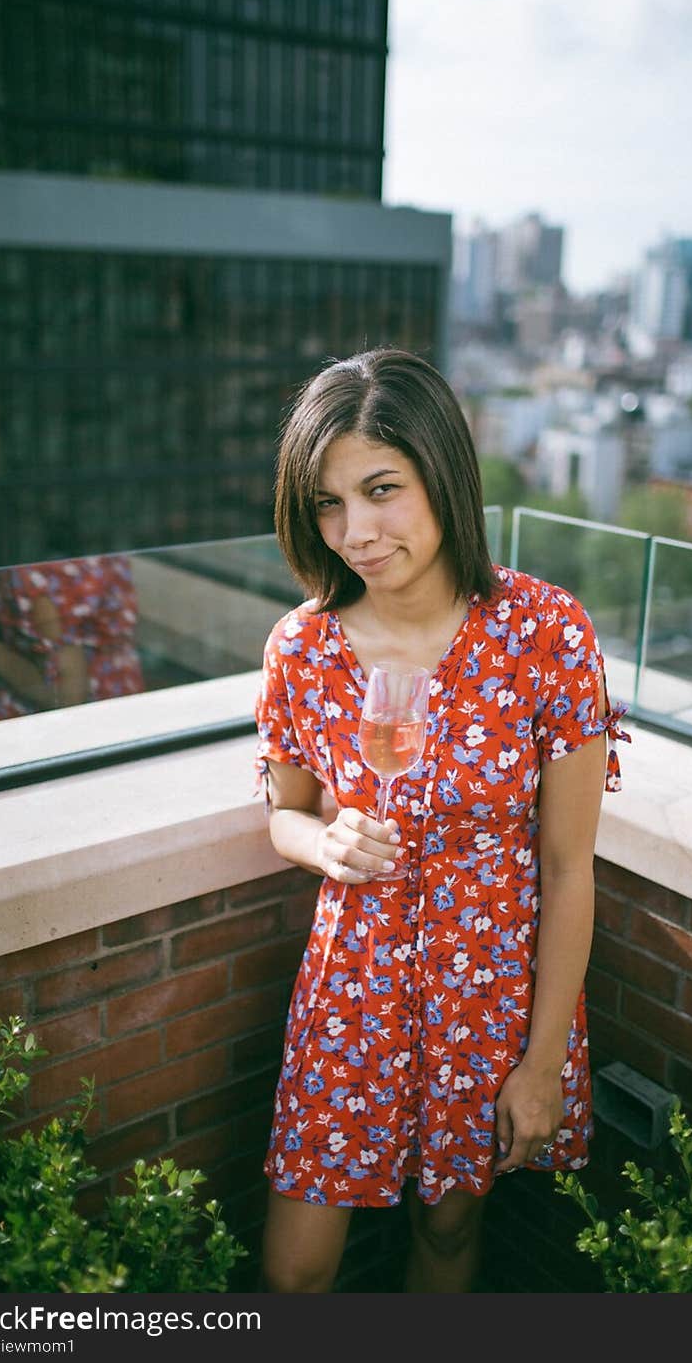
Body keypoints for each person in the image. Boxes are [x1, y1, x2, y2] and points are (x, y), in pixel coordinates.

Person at [254, 347, 629, 1293]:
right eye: (328, 504)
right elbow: (285, 816)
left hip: (489, 997)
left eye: (381, 489)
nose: (355, 531)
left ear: (442, 474)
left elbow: (567, 868)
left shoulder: (545, 634)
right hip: (351, 990)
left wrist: (542, 1065)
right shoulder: (302, 645)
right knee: (295, 1273)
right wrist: (325, 842)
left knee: (450, 1237)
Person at [0, 551, 145, 719]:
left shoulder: (39, 574)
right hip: (124, 716)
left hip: (64, 738)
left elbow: (66, 697)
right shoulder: (101, 555)